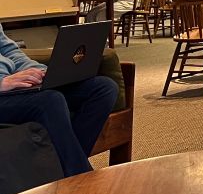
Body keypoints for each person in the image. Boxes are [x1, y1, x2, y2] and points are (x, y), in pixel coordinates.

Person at [0, 22, 118, 177]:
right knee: (50, 101)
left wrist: (41, 72)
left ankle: (66, 173)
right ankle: (81, 180)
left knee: (103, 88)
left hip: (12, 84)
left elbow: (9, 50)